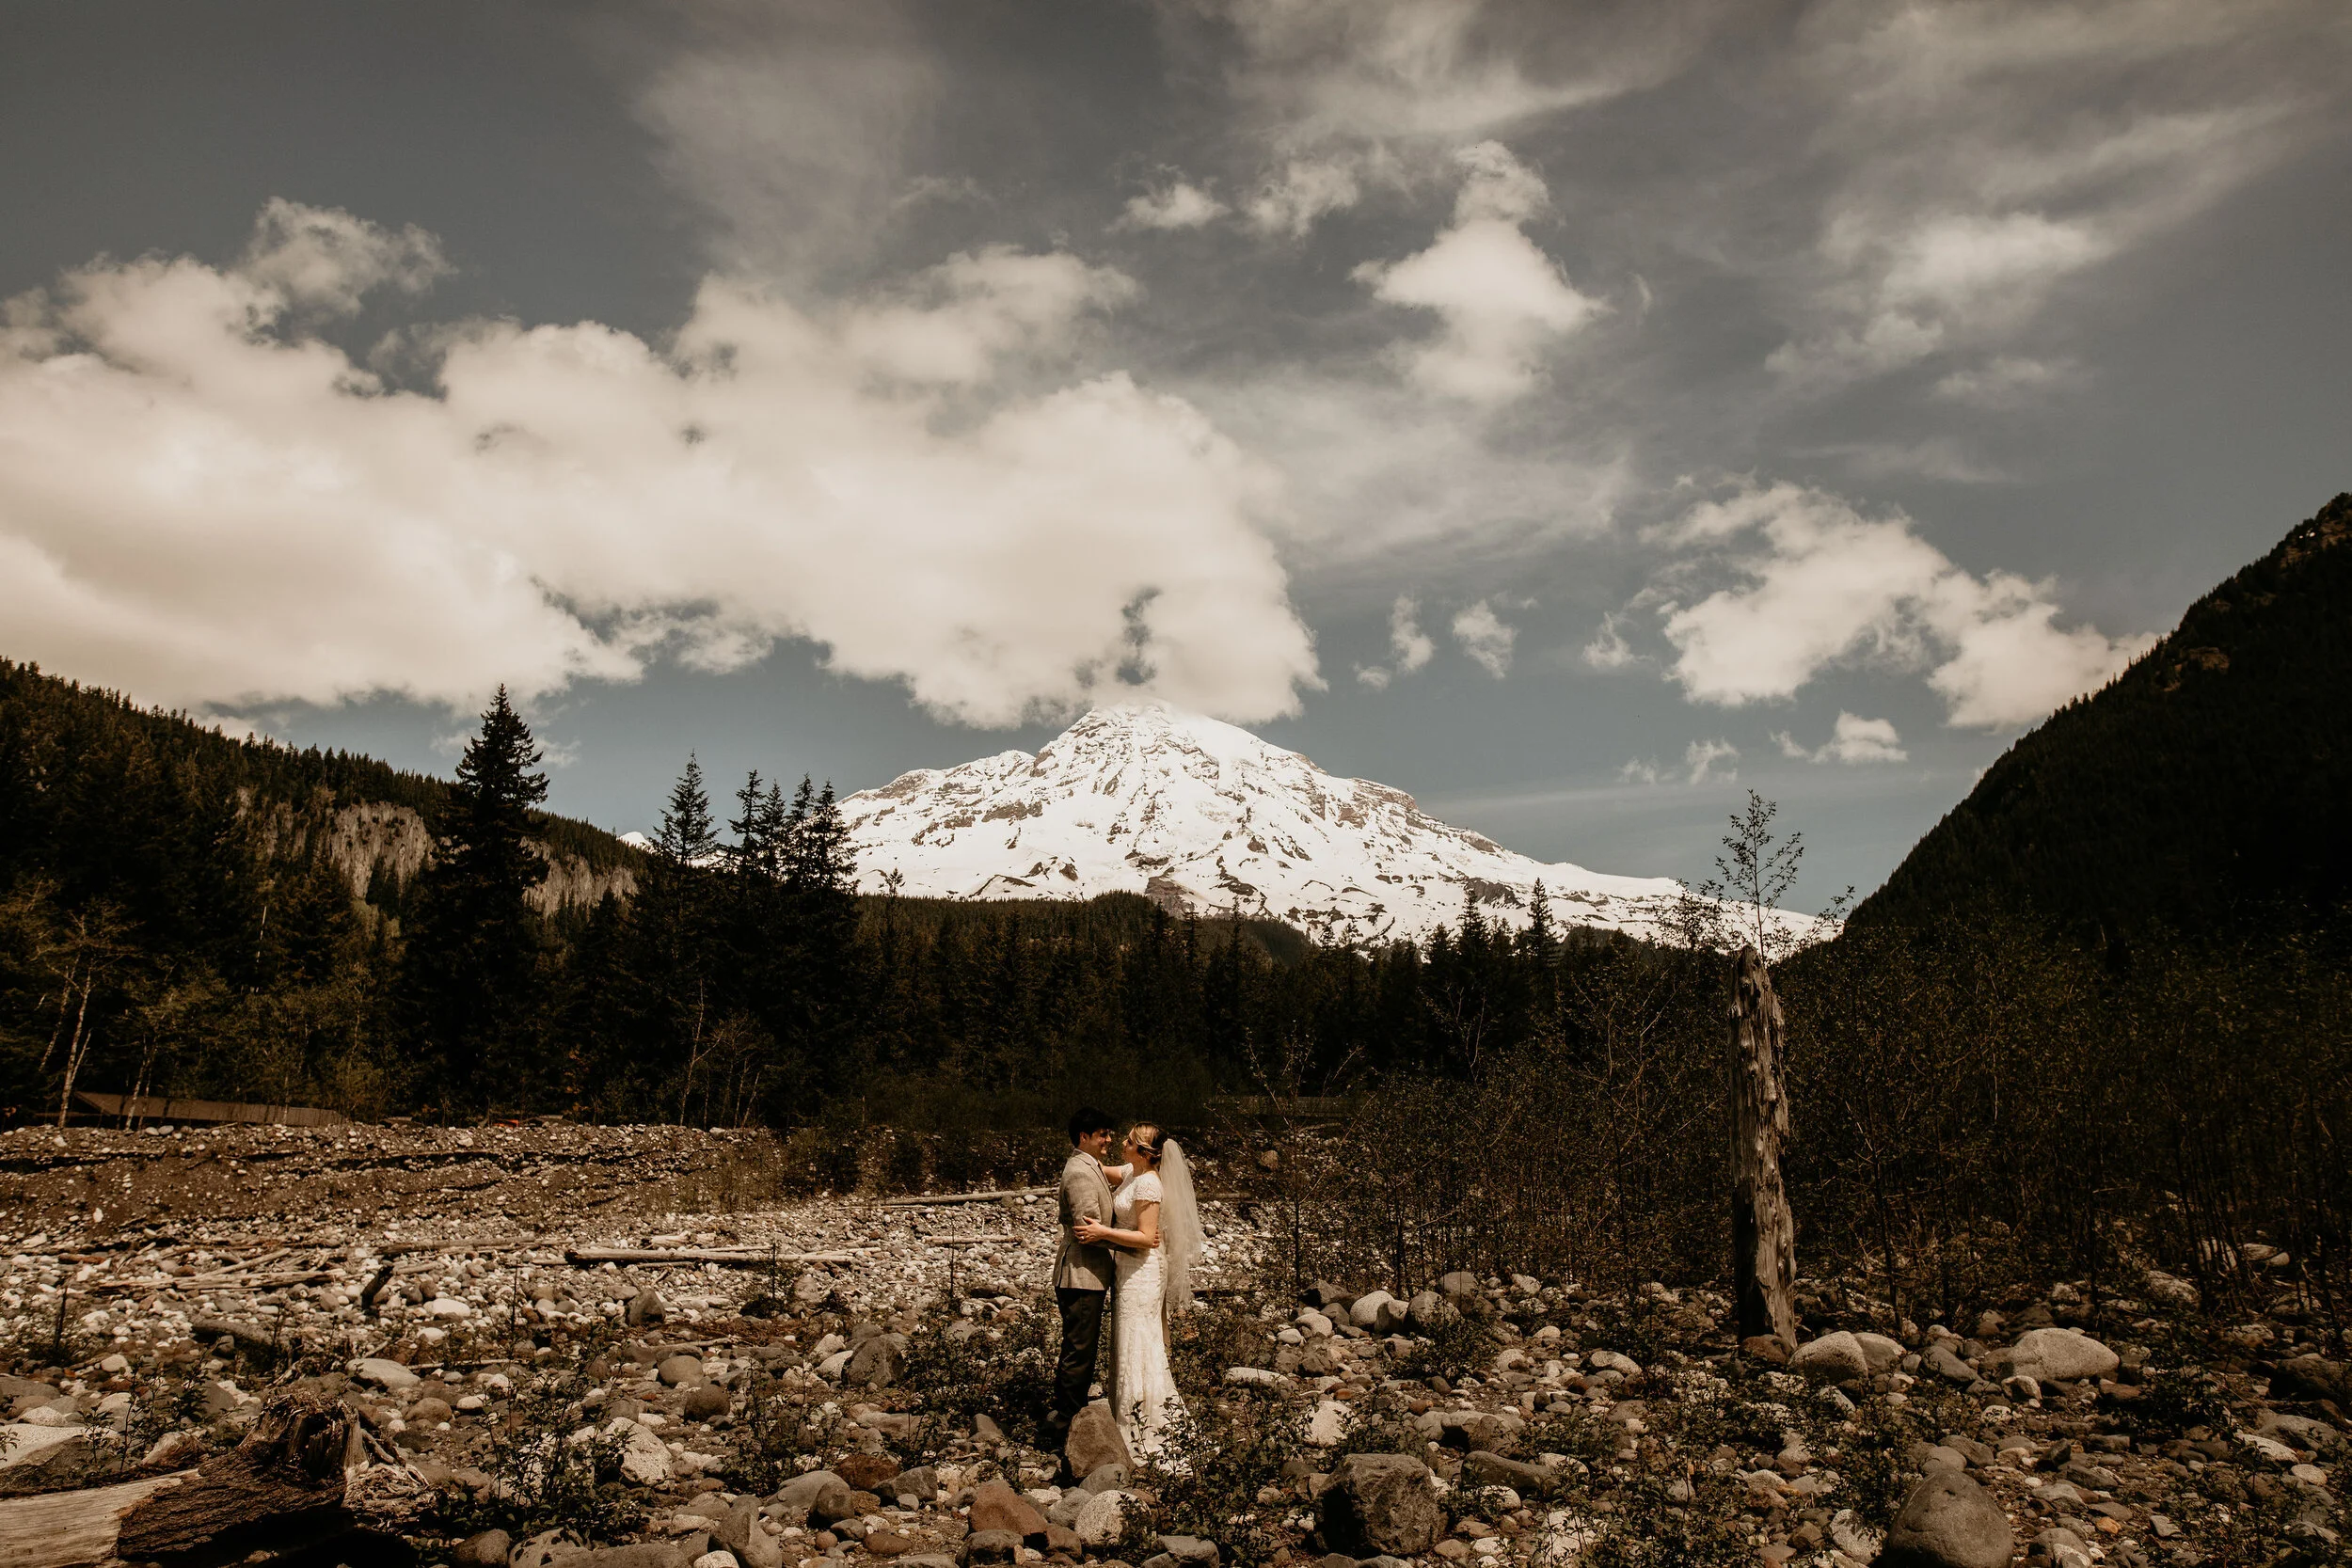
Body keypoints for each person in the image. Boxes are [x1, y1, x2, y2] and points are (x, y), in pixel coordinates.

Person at [1074, 1122, 1202, 1459]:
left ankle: (1147, 1426)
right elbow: (1096, 1167)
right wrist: (1084, 1143)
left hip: (1143, 1271)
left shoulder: (1148, 1185)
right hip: (1128, 1268)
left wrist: (1103, 1232)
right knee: (1126, 1338)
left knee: (1138, 1339)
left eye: (1129, 1141)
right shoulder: (1132, 1171)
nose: (1122, 1142)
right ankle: (1126, 1419)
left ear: (1144, 1153)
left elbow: (1147, 1238)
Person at [1049, 1105, 1121, 1432]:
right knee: (1079, 1349)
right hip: (1080, 1274)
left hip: (1088, 1274)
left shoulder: (1090, 1165)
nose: (1109, 1139)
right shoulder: (1079, 1171)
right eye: (1103, 1134)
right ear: (1084, 1137)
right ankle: (1067, 1420)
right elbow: (1086, 1228)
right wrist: (1134, 1244)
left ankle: (1071, 1415)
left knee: (1082, 1347)